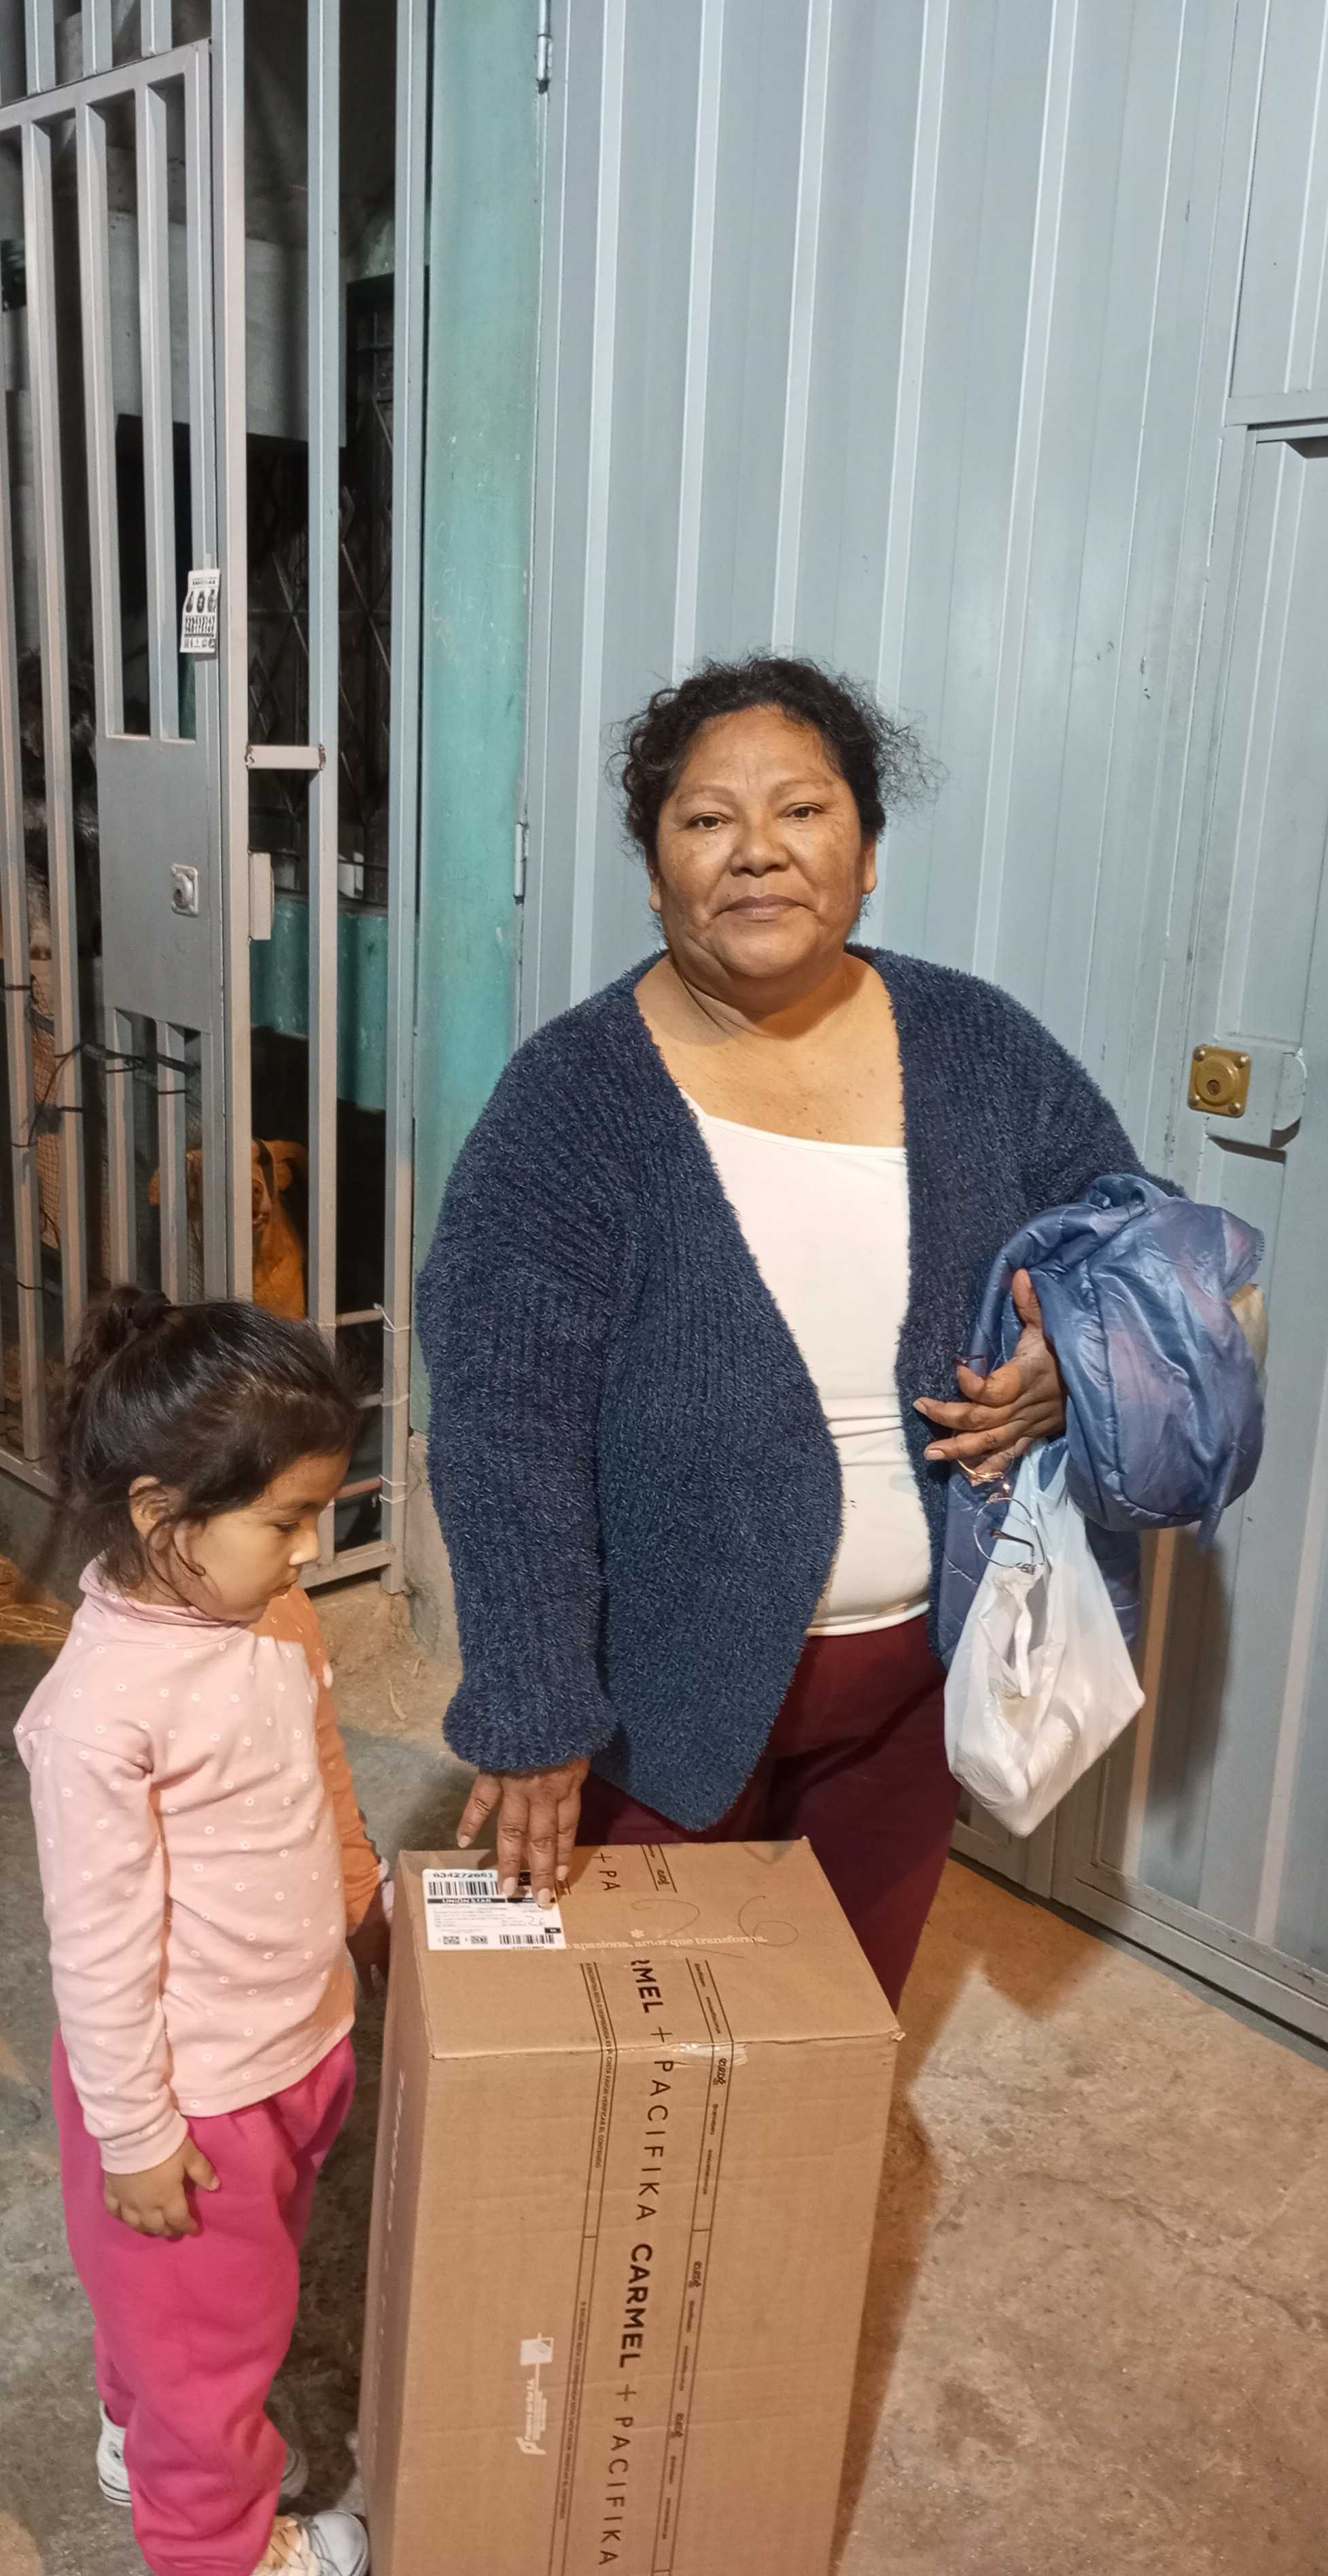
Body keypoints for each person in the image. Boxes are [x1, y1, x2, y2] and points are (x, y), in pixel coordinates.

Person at [418, 653, 1152, 2008]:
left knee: (837, 2021)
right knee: (634, 2056)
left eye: (803, 811)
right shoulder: (573, 1098)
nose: (756, 851)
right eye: (707, 820)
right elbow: (497, 1424)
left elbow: (1132, 1241)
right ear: (656, 875)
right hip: (654, 1704)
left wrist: (1079, 1362)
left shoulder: (977, 1045)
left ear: (866, 855)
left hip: (916, 1686)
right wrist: (532, 1704)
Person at [17, 1290, 389, 2576]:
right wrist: (136, 2137)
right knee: (212, 2363)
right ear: (159, 1514)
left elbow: (323, 1776)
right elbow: (99, 1956)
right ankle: (218, 2550)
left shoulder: (271, 1616)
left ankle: (144, 2431)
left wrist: (363, 1903)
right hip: (189, 2107)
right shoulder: (98, 1716)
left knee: (200, 2324)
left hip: (295, 2053)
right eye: (285, 1520)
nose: (309, 1549)